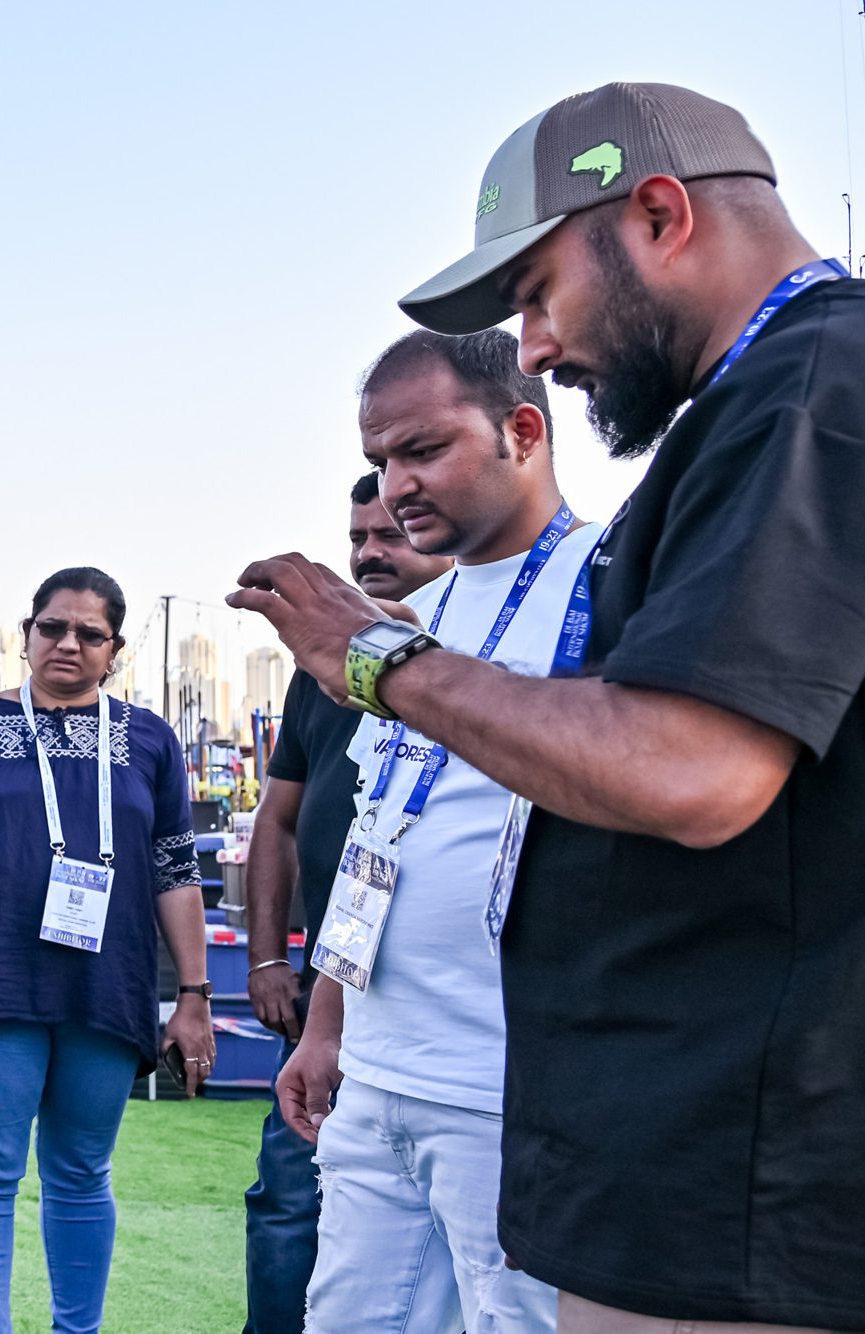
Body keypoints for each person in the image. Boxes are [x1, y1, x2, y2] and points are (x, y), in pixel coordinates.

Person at [235, 82, 865, 1334]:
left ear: (657, 215)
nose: (530, 340)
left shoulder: (808, 386)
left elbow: (690, 766)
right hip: (647, 1140)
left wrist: (372, 661)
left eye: (534, 291)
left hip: (733, 1169)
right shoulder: (761, 402)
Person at [286, 329, 592, 1332]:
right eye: (380, 460)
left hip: (513, 1084)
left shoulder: (610, 583)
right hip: (375, 1070)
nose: (394, 485)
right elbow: (382, 826)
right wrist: (327, 1023)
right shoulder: (411, 617)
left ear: (522, 430)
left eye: (421, 449)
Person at [0, 567, 214, 1334]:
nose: (68, 643)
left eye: (88, 633)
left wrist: (193, 996)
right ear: (25, 634)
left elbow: (175, 871)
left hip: (107, 986)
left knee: (81, 1173)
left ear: (115, 650)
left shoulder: (150, 739)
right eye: (52, 628)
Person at [241, 470, 449, 1334]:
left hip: (453, 1020)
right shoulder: (320, 673)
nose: (369, 553)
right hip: (336, 995)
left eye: (391, 534)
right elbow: (278, 821)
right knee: (291, 1200)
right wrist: (269, 958)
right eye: (358, 537)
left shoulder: (482, 662)